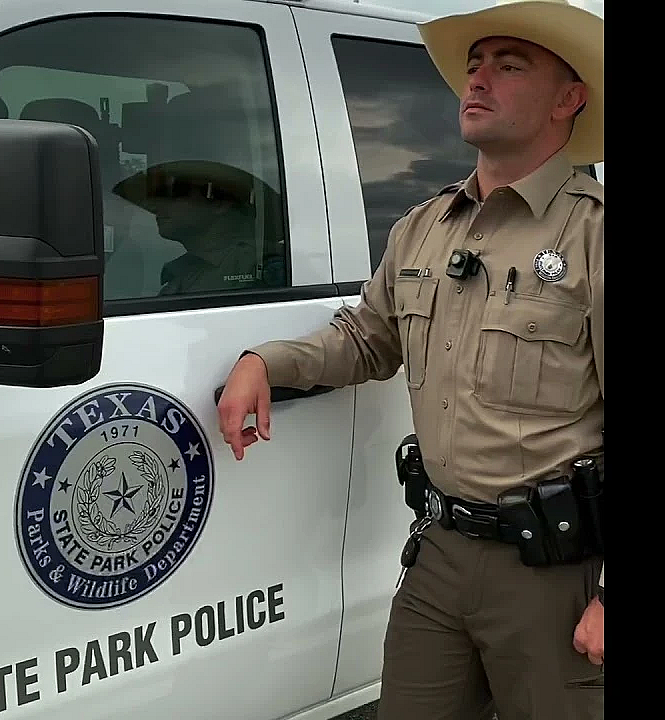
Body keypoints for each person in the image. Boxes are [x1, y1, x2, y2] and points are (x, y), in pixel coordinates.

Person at [214, 1, 604, 717]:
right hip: (439, 555)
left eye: (509, 65)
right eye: (475, 64)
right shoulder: (424, 227)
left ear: (568, 99)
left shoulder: (592, 238)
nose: (478, 78)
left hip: (554, 578)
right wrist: (264, 361)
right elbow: (367, 338)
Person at [112, 159, 277, 295]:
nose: (154, 208)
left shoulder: (263, 268)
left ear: (219, 203)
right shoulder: (190, 270)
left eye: (171, 194)